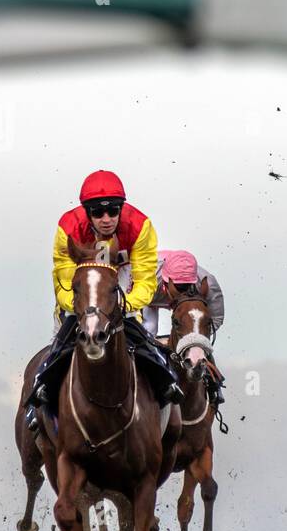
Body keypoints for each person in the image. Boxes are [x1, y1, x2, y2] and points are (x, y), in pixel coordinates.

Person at [24, 170, 183, 432]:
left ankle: (167, 386)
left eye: (113, 211)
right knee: (58, 349)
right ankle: (37, 400)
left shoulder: (140, 226)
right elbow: (63, 282)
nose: (106, 219)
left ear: (122, 208)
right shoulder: (68, 228)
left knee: (146, 345)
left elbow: (145, 280)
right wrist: (82, 308)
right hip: (81, 294)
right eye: (98, 213)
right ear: (86, 212)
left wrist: (122, 306)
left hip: (119, 289)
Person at [141, 249, 227, 405]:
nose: (185, 291)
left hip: (188, 307)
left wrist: (192, 337)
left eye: (189, 285)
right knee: (148, 330)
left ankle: (214, 387)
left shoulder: (209, 284)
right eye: (181, 287)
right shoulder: (145, 278)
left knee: (197, 338)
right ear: (167, 281)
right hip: (147, 299)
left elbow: (215, 319)